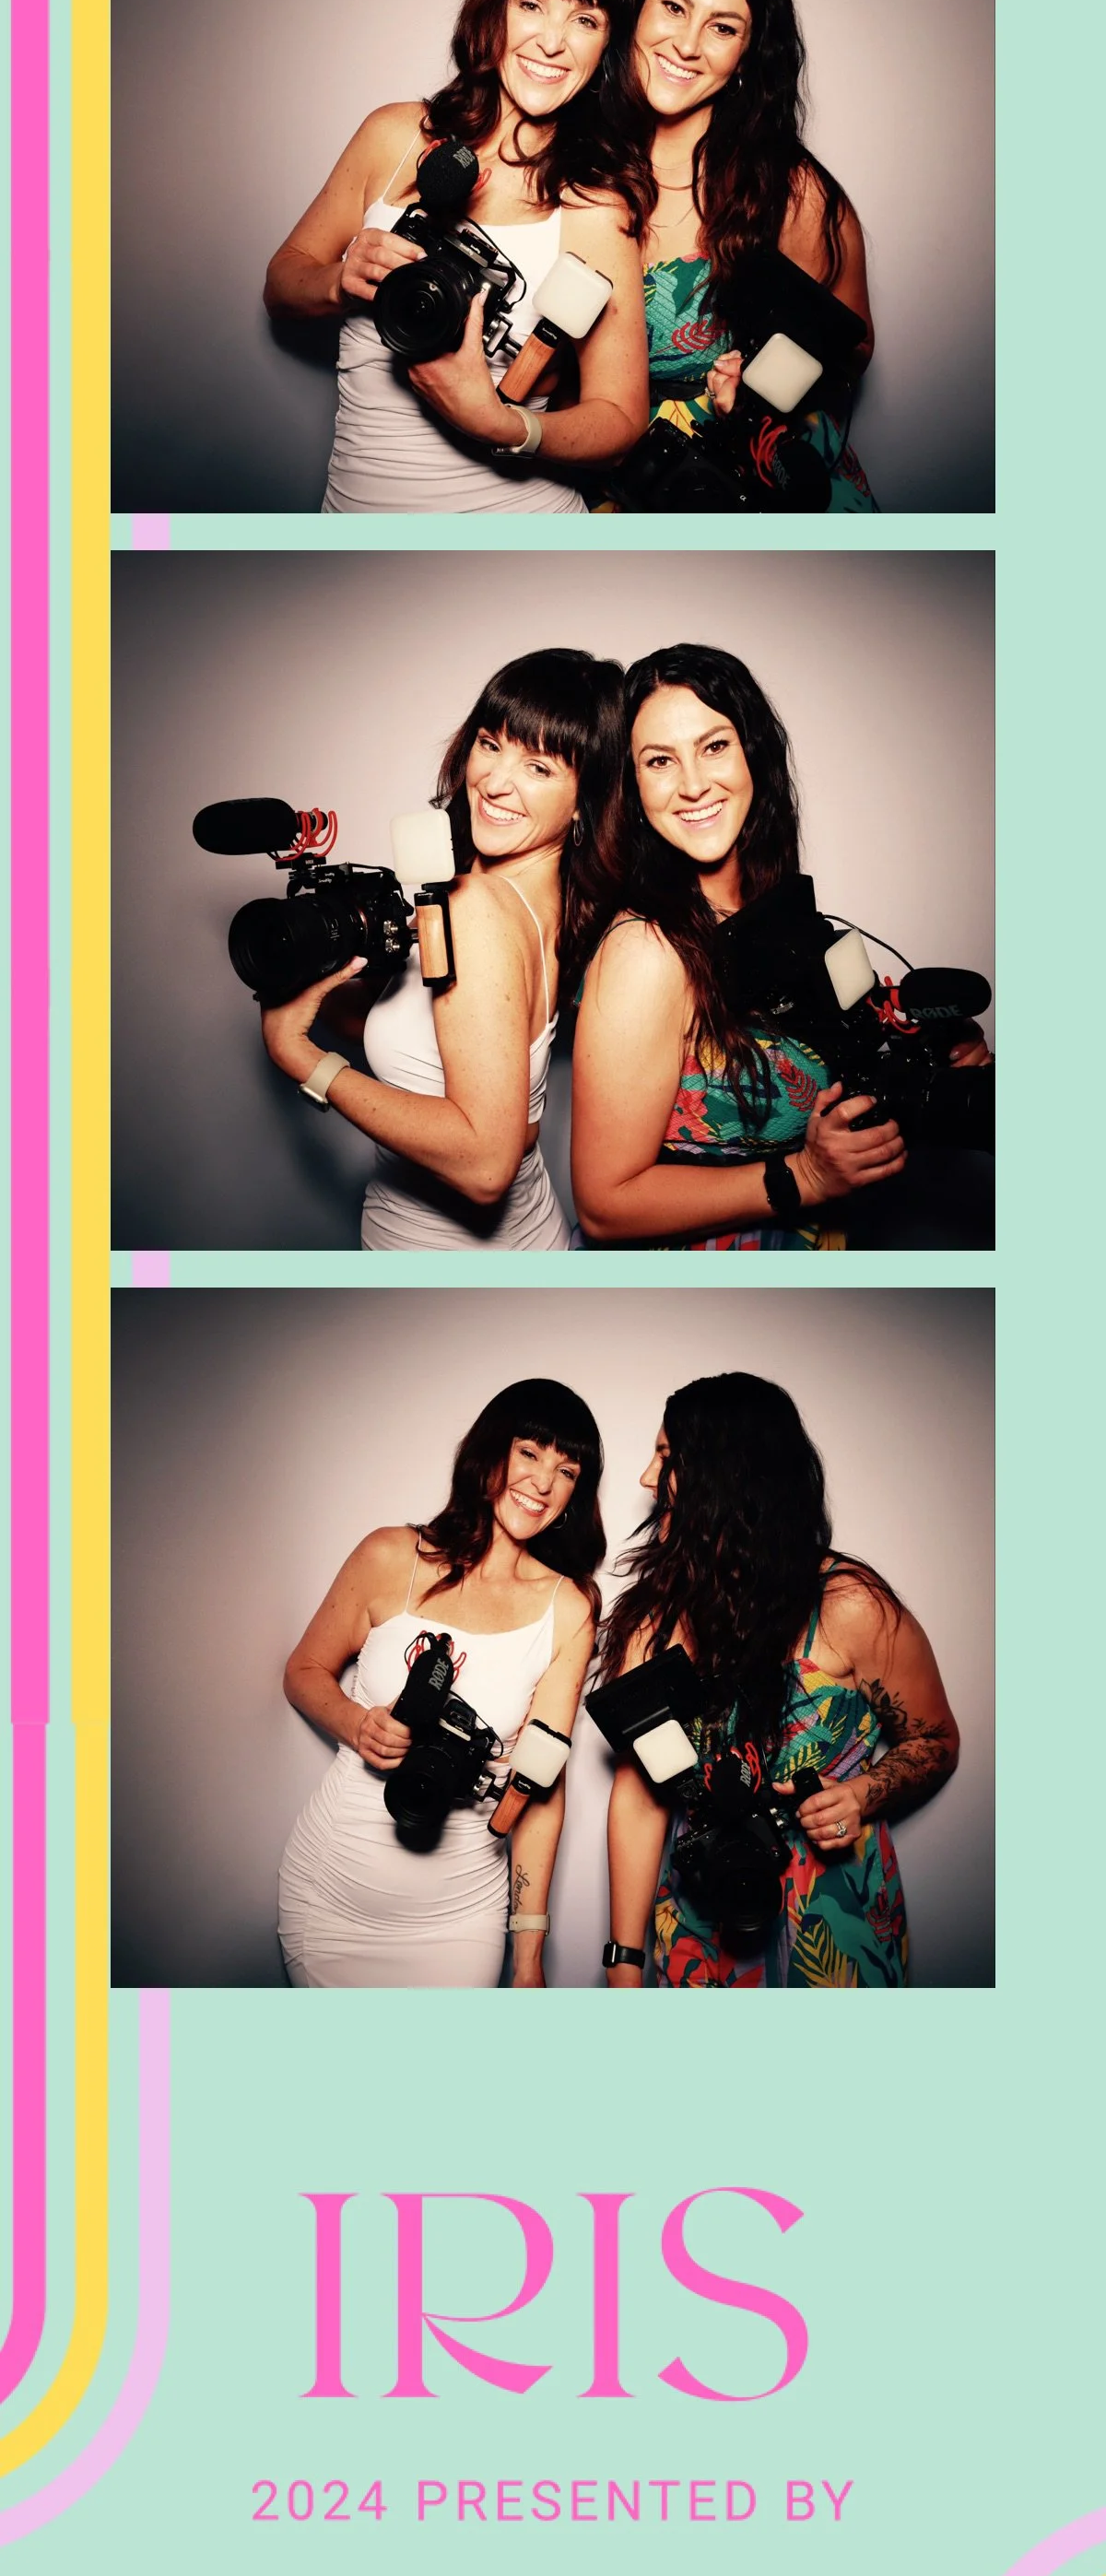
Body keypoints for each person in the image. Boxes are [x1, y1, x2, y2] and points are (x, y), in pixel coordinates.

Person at [264, 0, 651, 514]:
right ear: (492, 9)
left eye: (584, 19)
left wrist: (503, 425)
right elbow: (282, 283)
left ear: (606, 48)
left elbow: (622, 420)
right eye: (531, 4)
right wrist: (341, 279)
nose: (552, 40)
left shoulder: (595, 204)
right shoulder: (395, 137)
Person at [597, 1372, 960, 1991]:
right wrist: (623, 1962)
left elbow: (936, 1741)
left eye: (665, 1457)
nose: (647, 1480)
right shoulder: (654, 1619)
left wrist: (863, 1794)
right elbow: (639, 1796)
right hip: (700, 1914)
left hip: (836, 1920)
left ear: (725, 1475)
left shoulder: (850, 1604)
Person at [258, 648, 623, 1252]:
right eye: (490, 743)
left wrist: (299, 1056)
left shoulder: (478, 907)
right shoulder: (546, 900)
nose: (496, 782)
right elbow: (437, 1049)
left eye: (540, 767)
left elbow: (485, 1167)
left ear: (586, 797)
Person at [571, 641, 912, 1250]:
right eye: (659, 761)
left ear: (753, 752)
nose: (694, 784)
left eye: (714, 746)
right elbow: (604, 1207)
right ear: (632, 787)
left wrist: (928, 1056)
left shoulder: (774, 914)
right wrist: (804, 1176)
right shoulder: (647, 950)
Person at [278, 1381, 603, 1990]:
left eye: (567, 1470)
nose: (543, 1482)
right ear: (490, 1451)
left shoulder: (571, 1608)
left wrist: (529, 1957)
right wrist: (358, 1723)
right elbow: (302, 1672)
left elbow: (539, 1787)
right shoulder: (389, 1556)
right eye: (529, 1453)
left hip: (459, 1914)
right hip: (329, 1894)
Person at [596, 0, 877, 512]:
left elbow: (849, 352)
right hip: (618, 494)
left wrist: (756, 403)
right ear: (636, 7)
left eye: (723, 28)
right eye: (673, 7)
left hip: (758, 501)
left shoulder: (788, 192)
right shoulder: (573, 163)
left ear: (749, 53)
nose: (688, 45)